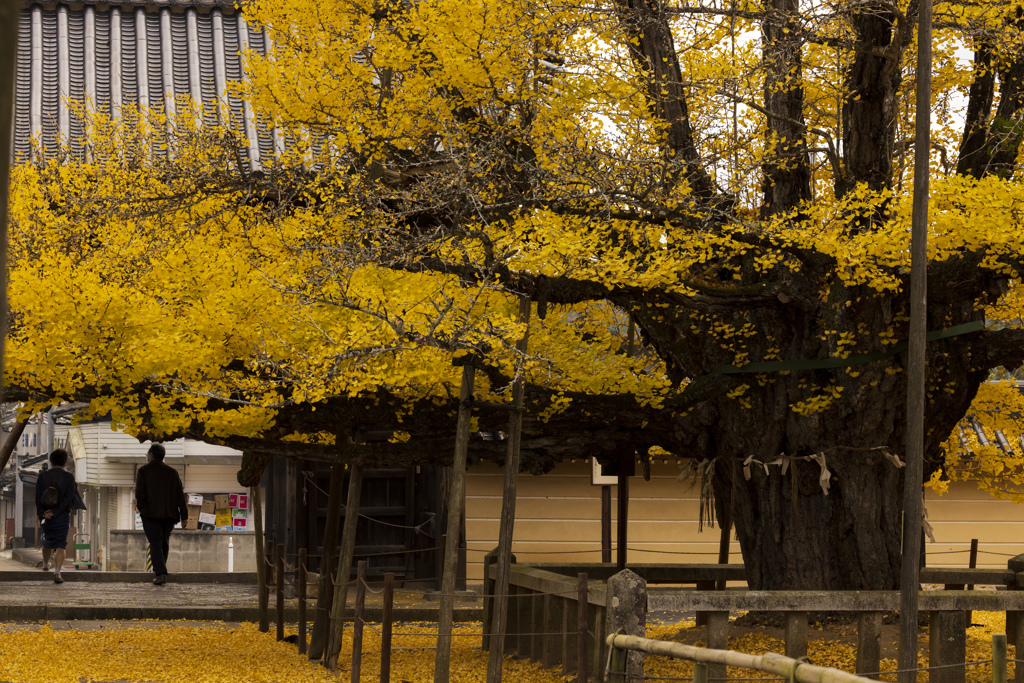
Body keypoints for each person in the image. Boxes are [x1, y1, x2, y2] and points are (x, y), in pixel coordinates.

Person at [135, 443, 188, 585]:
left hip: (150, 514)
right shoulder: (172, 472)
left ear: (151, 455)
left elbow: (139, 494)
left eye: (147, 454)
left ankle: (160, 573)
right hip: (169, 514)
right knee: (164, 542)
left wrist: (142, 509)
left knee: (155, 542)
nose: (147, 456)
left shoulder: (143, 471)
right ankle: (161, 571)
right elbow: (180, 496)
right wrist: (184, 516)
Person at [35, 449, 77, 584]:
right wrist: (56, 512)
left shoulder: (43, 476)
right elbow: (69, 498)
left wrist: (43, 513)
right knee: (60, 544)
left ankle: (45, 565)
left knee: (47, 540)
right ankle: (57, 573)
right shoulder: (69, 477)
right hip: (61, 515)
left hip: (46, 515)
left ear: (51, 461)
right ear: (65, 462)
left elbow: (37, 496)